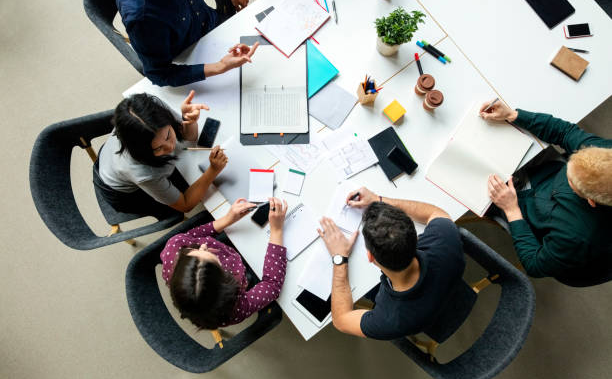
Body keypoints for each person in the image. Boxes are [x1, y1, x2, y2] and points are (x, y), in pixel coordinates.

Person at [480, 100, 612, 280]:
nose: (567, 171)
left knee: (472, 187)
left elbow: (534, 265)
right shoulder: (605, 154)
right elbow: (566, 133)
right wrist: (512, 115)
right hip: (547, 176)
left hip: (527, 213)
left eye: (570, 179)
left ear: (591, 200)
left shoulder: (575, 238)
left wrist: (512, 210)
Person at [317, 187, 465, 340]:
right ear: (415, 235)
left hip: (420, 319)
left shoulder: (390, 319)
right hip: (447, 285)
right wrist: (379, 200)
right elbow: (436, 213)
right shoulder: (446, 240)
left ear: (370, 257)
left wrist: (339, 257)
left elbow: (341, 320)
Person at [94, 91, 227, 219]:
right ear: (142, 150)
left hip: (110, 159)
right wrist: (213, 171)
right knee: (180, 198)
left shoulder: (151, 115)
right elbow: (186, 205)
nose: (171, 147)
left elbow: (189, 138)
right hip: (123, 193)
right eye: (158, 148)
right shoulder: (143, 173)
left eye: (168, 135)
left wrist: (189, 121)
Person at [161, 197, 288, 329]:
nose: (203, 245)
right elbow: (272, 285)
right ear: (227, 281)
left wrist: (228, 219)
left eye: (195, 249)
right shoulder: (234, 309)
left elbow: (191, 236)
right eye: (210, 255)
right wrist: (277, 230)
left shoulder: (175, 246)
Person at [116, 0, 258, 86]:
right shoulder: (140, 16)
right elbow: (159, 74)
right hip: (188, 58)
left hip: (211, 23)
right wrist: (220, 67)